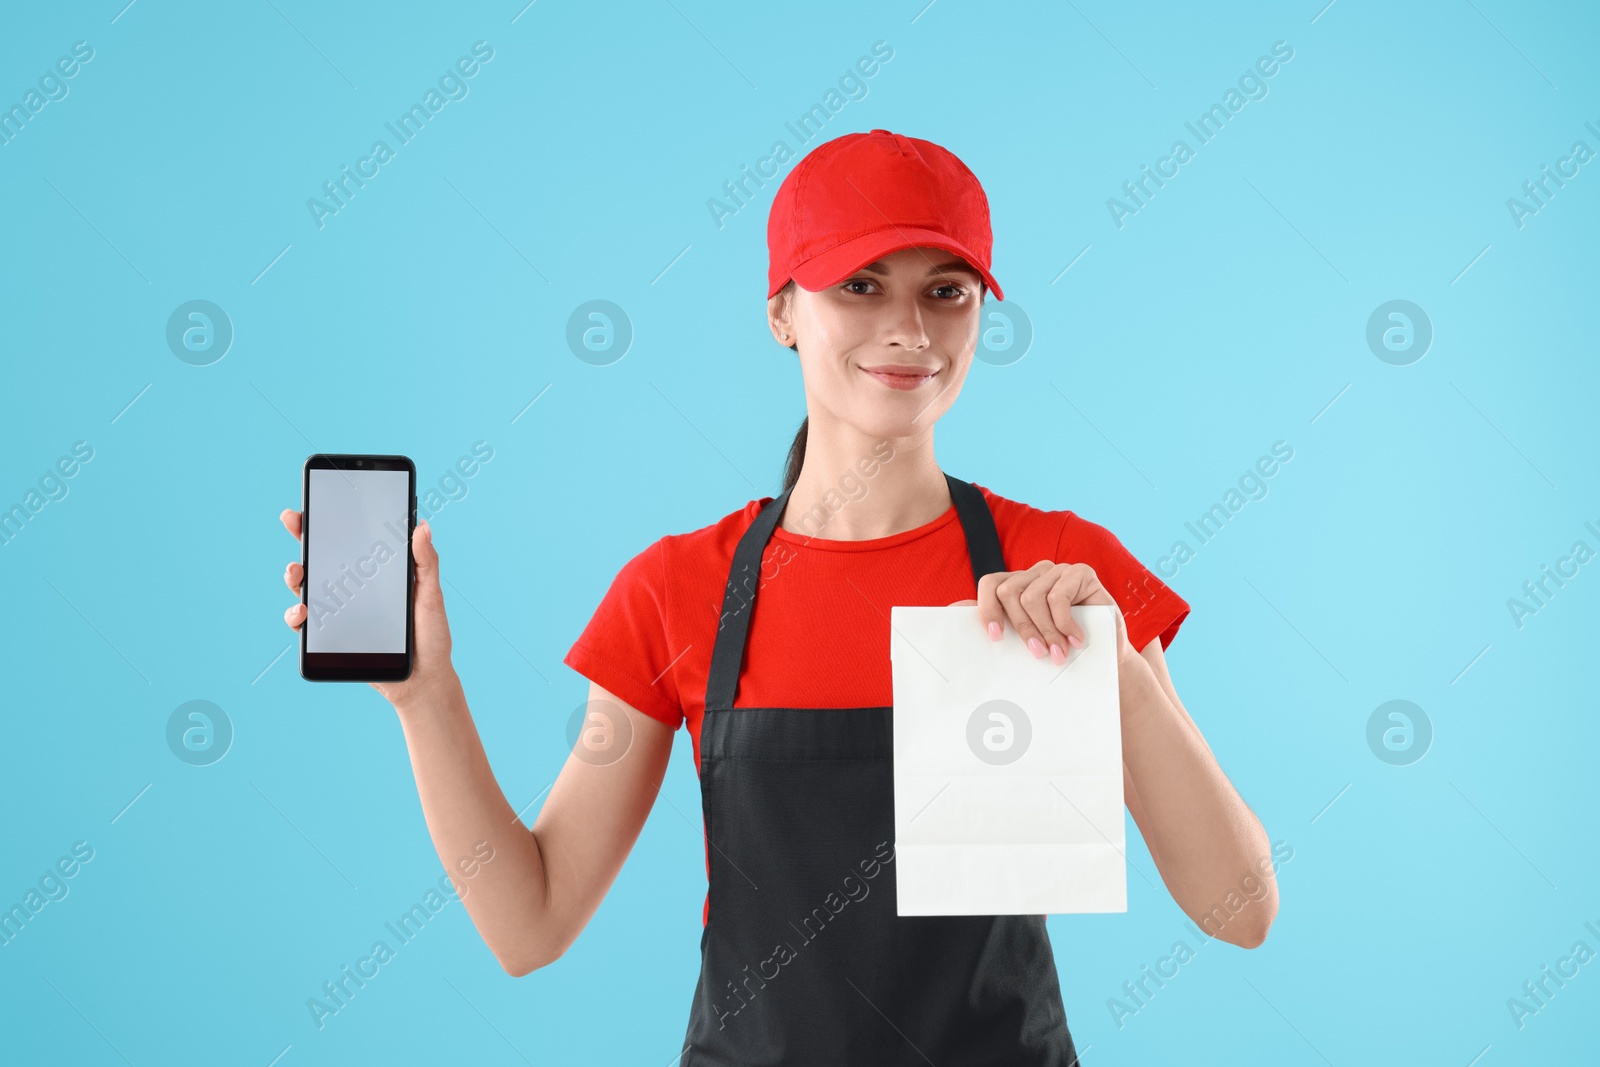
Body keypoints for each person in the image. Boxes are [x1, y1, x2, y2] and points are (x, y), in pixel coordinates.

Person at [277, 128, 1277, 1065]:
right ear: (780, 312)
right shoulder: (679, 589)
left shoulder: (1061, 561)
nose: (908, 328)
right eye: (859, 283)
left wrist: (1118, 671)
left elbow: (1241, 908)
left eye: (946, 290)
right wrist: (423, 695)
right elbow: (528, 920)